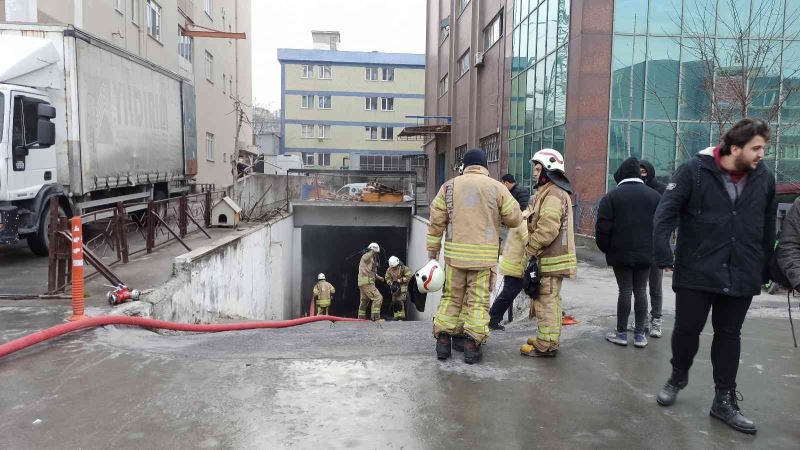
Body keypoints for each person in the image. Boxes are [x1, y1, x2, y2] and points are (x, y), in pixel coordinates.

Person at [653, 118, 776, 435]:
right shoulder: (694, 170)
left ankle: (724, 399)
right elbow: (666, 212)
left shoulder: (763, 177)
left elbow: (767, 224)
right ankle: (678, 375)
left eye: (764, 147)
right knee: (687, 330)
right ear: (735, 148)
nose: (762, 154)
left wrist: (768, 268)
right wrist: (663, 253)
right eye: (756, 148)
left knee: (729, 335)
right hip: (698, 268)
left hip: (742, 271)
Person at [428, 148, 522, 364]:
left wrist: (433, 251)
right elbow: (515, 219)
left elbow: (435, 222)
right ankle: (472, 345)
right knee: (478, 302)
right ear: (484, 167)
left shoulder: (448, 187)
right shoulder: (497, 187)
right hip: (483, 258)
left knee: (451, 297)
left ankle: (443, 341)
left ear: (465, 167)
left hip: (455, 257)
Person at [596, 157, 661, 348]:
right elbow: (662, 226)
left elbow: (602, 228)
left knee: (624, 290)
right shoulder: (654, 196)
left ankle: (622, 333)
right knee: (641, 290)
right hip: (646, 253)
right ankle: (640, 335)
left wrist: (607, 248)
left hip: (620, 253)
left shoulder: (611, 197)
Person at [519, 149, 577, 358]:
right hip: (549, 259)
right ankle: (547, 339)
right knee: (548, 301)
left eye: (537, 169)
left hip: (550, 259)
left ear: (548, 170)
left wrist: (530, 250)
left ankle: (545, 345)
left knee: (547, 303)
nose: (535, 173)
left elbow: (547, 229)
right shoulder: (549, 191)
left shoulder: (553, 194)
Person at [489, 206, 532, 331]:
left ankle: (494, 318)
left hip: (513, 263)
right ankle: (493, 318)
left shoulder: (523, 218)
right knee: (509, 293)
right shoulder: (525, 221)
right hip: (515, 264)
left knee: (512, 292)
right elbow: (528, 242)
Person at [639, 160, 666, 338]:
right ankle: (641, 319)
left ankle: (656, 319)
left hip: (656, 244)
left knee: (655, 285)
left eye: (644, 171)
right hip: (640, 243)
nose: (642, 174)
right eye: (639, 171)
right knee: (639, 287)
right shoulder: (637, 190)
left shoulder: (661, 189)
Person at [357, 242, 385, 320]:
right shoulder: (366, 256)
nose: (376, 255)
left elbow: (373, 273)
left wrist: (379, 278)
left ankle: (360, 318)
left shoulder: (371, 260)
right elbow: (365, 257)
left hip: (363, 283)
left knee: (364, 301)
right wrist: (373, 250)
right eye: (376, 253)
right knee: (378, 298)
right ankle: (376, 318)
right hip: (367, 283)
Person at [384, 256, 412, 320]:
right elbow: (387, 278)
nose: (393, 268)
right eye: (392, 267)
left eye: (394, 267)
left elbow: (409, 276)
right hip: (394, 289)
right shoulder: (389, 269)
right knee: (395, 303)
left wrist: (401, 280)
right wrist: (391, 283)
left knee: (400, 301)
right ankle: (396, 316)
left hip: (402, 288)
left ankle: (402, 318)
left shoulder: (403, 268)